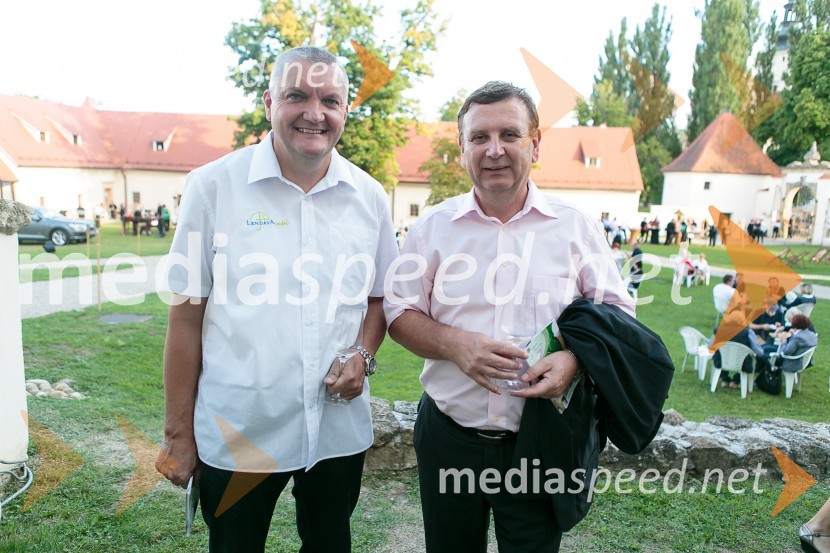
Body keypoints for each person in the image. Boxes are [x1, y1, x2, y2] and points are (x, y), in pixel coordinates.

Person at [383, 82, 672, 553]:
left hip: (541, 441)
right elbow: (399, 312)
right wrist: (455, 345)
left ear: (535, 144)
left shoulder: (575, 227)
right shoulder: (431, 228)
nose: (494, 150)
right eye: (479, 137)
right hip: (449, 436)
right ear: (462, 148)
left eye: (509, 134)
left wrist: (574, 360)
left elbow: (618, 313)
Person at [154, 46, 398, 553]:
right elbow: (186, 320)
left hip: (336, 429)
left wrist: (363, 352)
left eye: (330, 100)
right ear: (269, 102)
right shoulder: (212, 187)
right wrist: (178, 434)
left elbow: (380, 298)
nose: (315, 113)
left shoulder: (370, 197)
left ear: (346, 110)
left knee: (330, 544)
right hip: (241, 429)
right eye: (297, 96)